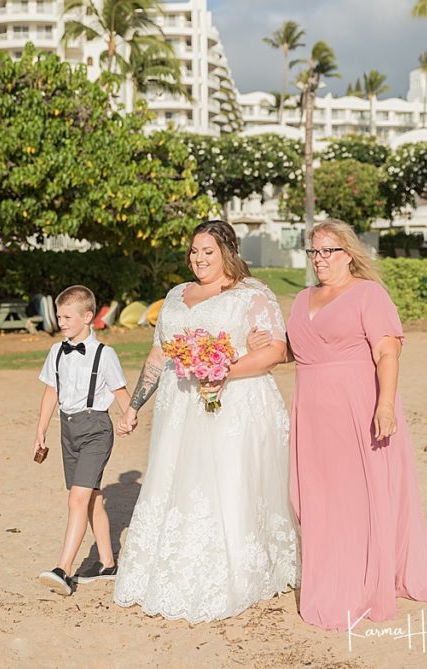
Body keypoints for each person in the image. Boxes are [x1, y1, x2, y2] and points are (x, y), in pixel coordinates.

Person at [113, 220, 298, 622]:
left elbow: (276, 352)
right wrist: (133, 406)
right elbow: (159, 356)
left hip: (233, 403)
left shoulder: (252, 295)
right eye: (194, 251)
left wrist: (222, 371)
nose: (198, 259)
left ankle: (236, 570)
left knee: (226, 483)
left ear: (228, 252)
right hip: (179, 410)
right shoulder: (177, 295)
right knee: (177, 481)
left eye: (207, 251)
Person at [284, 219, 427, 630]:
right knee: (317, 500)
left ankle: (357, 583)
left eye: (327, 251)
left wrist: (385, 406)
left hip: (358, 412)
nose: (319, 259)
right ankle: (331, 574)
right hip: (311, 416)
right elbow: (292, 350)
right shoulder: (302, 299)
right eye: (314, 251)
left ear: (349, 254)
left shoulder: (368, 294)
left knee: (355, 498)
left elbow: (387, 353)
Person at [33, 285, 132, 596]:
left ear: (88, 317)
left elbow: (120, 393)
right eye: (59, 316)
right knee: (92, 500)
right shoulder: (56, 351)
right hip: (67, 429)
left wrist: (129, 415)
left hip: (95, 430)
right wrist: (41, 429)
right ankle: (107, 564)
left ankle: (63, 569)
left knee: (76, 499)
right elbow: (52, 391)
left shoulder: (106, 355)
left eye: (67, 317)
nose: (61, 322)